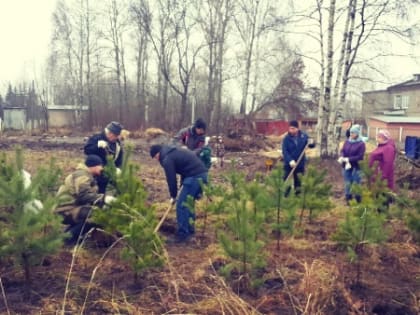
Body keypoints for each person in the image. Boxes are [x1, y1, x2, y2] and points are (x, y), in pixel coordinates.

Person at [150, 144, 208, 243]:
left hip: (194, 177)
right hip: (201, 175)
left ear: (158, 153)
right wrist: (182, 185)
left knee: (181, 205)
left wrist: (173, 195)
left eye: (155, 157)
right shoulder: (174, 151)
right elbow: (184, 169)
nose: (156, 159)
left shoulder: (167, 158)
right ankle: (190, 231)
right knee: (188, 203)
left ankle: (183, 236)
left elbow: (171, 178)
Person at [55, 155, 115, 244]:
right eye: (100, 166)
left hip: (70, 207)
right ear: (94, 166)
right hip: (65, 209)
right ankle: (67, 239)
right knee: (96, 215)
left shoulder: (85, 175)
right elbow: (83, 195)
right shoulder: (82, 175)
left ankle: (67, 236)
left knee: (90, 213)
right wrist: (104, 198)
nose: (102, 168)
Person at [84, 121, 124, 193]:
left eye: (117, 136)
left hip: (110, 172)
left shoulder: (117, 143)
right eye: (115, 136)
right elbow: (87, 150)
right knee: (96, 191)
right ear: (110, 133)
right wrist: (97, 146)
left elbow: (119, 157)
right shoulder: (96, 138)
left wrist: (119, 168)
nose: (116, 138)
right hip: (96, 172)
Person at [282, 120, 314, 194]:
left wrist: (312, 143)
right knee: (287, 181)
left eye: (293, 128)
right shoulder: (286, 139)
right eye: (290, 128)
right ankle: (286, 197)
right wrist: (290, 160)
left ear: (297, 128)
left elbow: (311, 145)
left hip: (300, 163)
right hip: (289, 164)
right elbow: (285, 151)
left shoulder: (304, 136)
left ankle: (298, 196)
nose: (291, 130)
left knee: (299, 182)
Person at [337, 124, 366, 204]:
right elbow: (343, 150)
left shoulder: (361, 144)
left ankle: (358, 199)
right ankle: (348, 198)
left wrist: (349, 159)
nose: (351, 134)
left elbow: (360, 156)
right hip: (346, 165)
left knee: (356, 182)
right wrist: (342, 157)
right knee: (347, 182)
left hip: (356, 166)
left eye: (353, 133)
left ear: (357, 134)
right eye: (351, 132)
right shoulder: (347, 141)